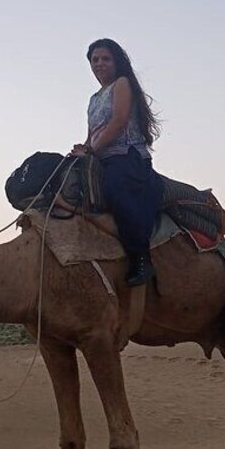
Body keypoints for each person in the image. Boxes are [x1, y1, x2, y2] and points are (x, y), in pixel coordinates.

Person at [71, 38, 164, 286]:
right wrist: (83, 149)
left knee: (114, 190)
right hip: (103, 159)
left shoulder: (122, 84)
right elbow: (93, 133)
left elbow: (119, 121)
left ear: (116, 62)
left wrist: (91, 149)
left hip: (127, 158)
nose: (99, 63)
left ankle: (141, 258)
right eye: (95, 59)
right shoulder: (93, 99)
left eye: (105, 58)